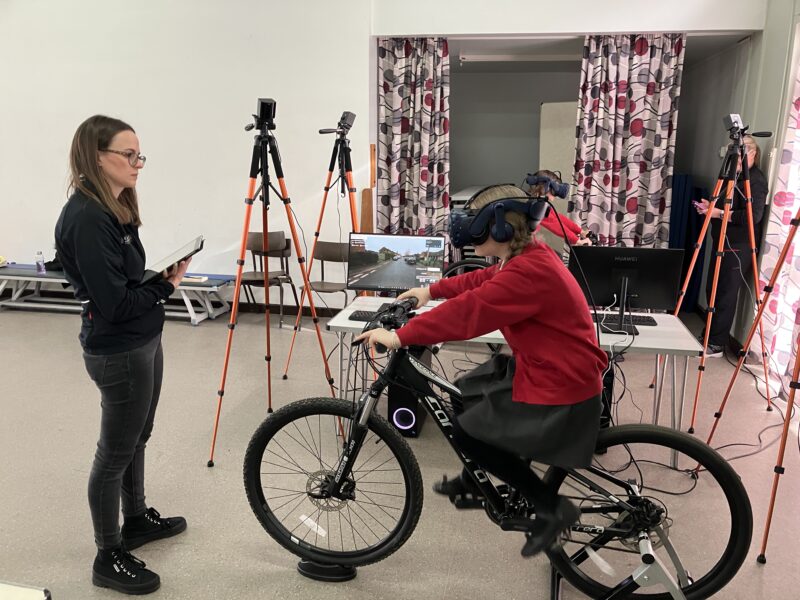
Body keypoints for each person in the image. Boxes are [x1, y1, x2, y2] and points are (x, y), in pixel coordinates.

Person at [355, 184, 608, 557]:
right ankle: (479, 481)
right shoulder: (525, 257)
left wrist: (401, 337)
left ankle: (553, 509)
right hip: (545, 364)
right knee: (464, 393)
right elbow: (482, 282)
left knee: (467, 431)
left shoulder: (529, 272)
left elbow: (471, 312)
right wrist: (431, 291)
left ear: (502, 228)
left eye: (476, 225)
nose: (467, 232)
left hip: (561, 380)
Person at [55, 115, 190, 594]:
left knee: (137, 437)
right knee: (114, 453)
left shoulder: (116, 208)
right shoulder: (89, 218)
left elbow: (128, 284)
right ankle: (107, 554)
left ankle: (135, 519)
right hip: (119, 349)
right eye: (127, 155)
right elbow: (114, 304)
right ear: (97, 156)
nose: (137, 164)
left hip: (143, 340)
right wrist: (165, 288)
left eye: (140, 156)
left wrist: (158, 283)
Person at [694, 135, 768, 358]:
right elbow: (726, 205)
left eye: (741, 150)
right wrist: (711, 207)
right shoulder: (731, 177)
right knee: (712, 289)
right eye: (733, 150)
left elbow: (752, 216)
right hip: (722, 240)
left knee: (725, 293)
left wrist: (718, 213)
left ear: (753, 153)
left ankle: (716, 344)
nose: (736, 155)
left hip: (738, 245)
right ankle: (709, 335)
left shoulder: (755, 180)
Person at [528, 169, 593, 246]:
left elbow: (557, 217)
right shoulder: (535, 206)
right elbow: (555, 224)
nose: (555, 196)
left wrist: (580, 231)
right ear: (546, 188)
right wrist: (578, 241)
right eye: (554, 191)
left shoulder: (536, 202)